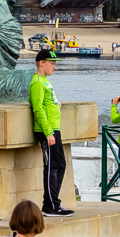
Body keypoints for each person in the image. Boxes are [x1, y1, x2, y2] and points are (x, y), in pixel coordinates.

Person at [30, 49, 72, 216]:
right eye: (51, 63)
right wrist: (48, 133)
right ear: (42, 63)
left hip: (55, 128)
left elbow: (46, 102)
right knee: (51, 167)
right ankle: (49, 205)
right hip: (47, 131)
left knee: (61, 165)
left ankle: (54, 201)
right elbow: (37, 107)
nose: (54, 66)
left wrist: (56, 104)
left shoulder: (45, 81)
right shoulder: (37, 82)